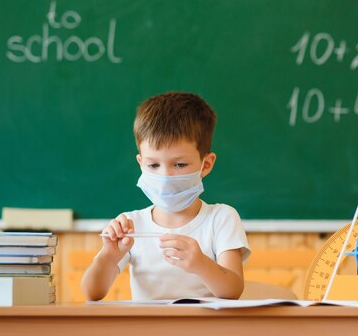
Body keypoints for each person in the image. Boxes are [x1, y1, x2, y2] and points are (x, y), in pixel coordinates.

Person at [81, 92, 250, 301]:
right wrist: (109, 256)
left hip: (205, 333)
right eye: (153, 165)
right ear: (141, 163)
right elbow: (92, 293)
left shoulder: (221, 218)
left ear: (205, 165)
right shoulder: (131, 225)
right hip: (148, 332)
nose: (165, 176)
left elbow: (232, 290)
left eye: (179, 165)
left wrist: (200, 264)